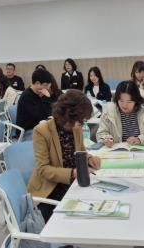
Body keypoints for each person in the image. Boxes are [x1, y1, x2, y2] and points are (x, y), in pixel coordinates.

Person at [28, 91, 101, 221]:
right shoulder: (42, 131)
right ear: (68, 115)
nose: (82, 123)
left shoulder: (76, 127)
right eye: (80, 119)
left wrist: (89, 159)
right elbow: (43, 169)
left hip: (72, 184)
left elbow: (81, 151)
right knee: (71, 219)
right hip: (50, 189)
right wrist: (73, 173)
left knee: (95, 207)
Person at [96, 81, 144, 146]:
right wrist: (106, 139)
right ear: (116, 99)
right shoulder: (109, 111)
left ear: (136, 100)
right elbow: (100, 134)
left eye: (129, 102)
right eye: (121, 101)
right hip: (116, 152)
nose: (124, 105)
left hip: (140, 151)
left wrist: (140, 140)